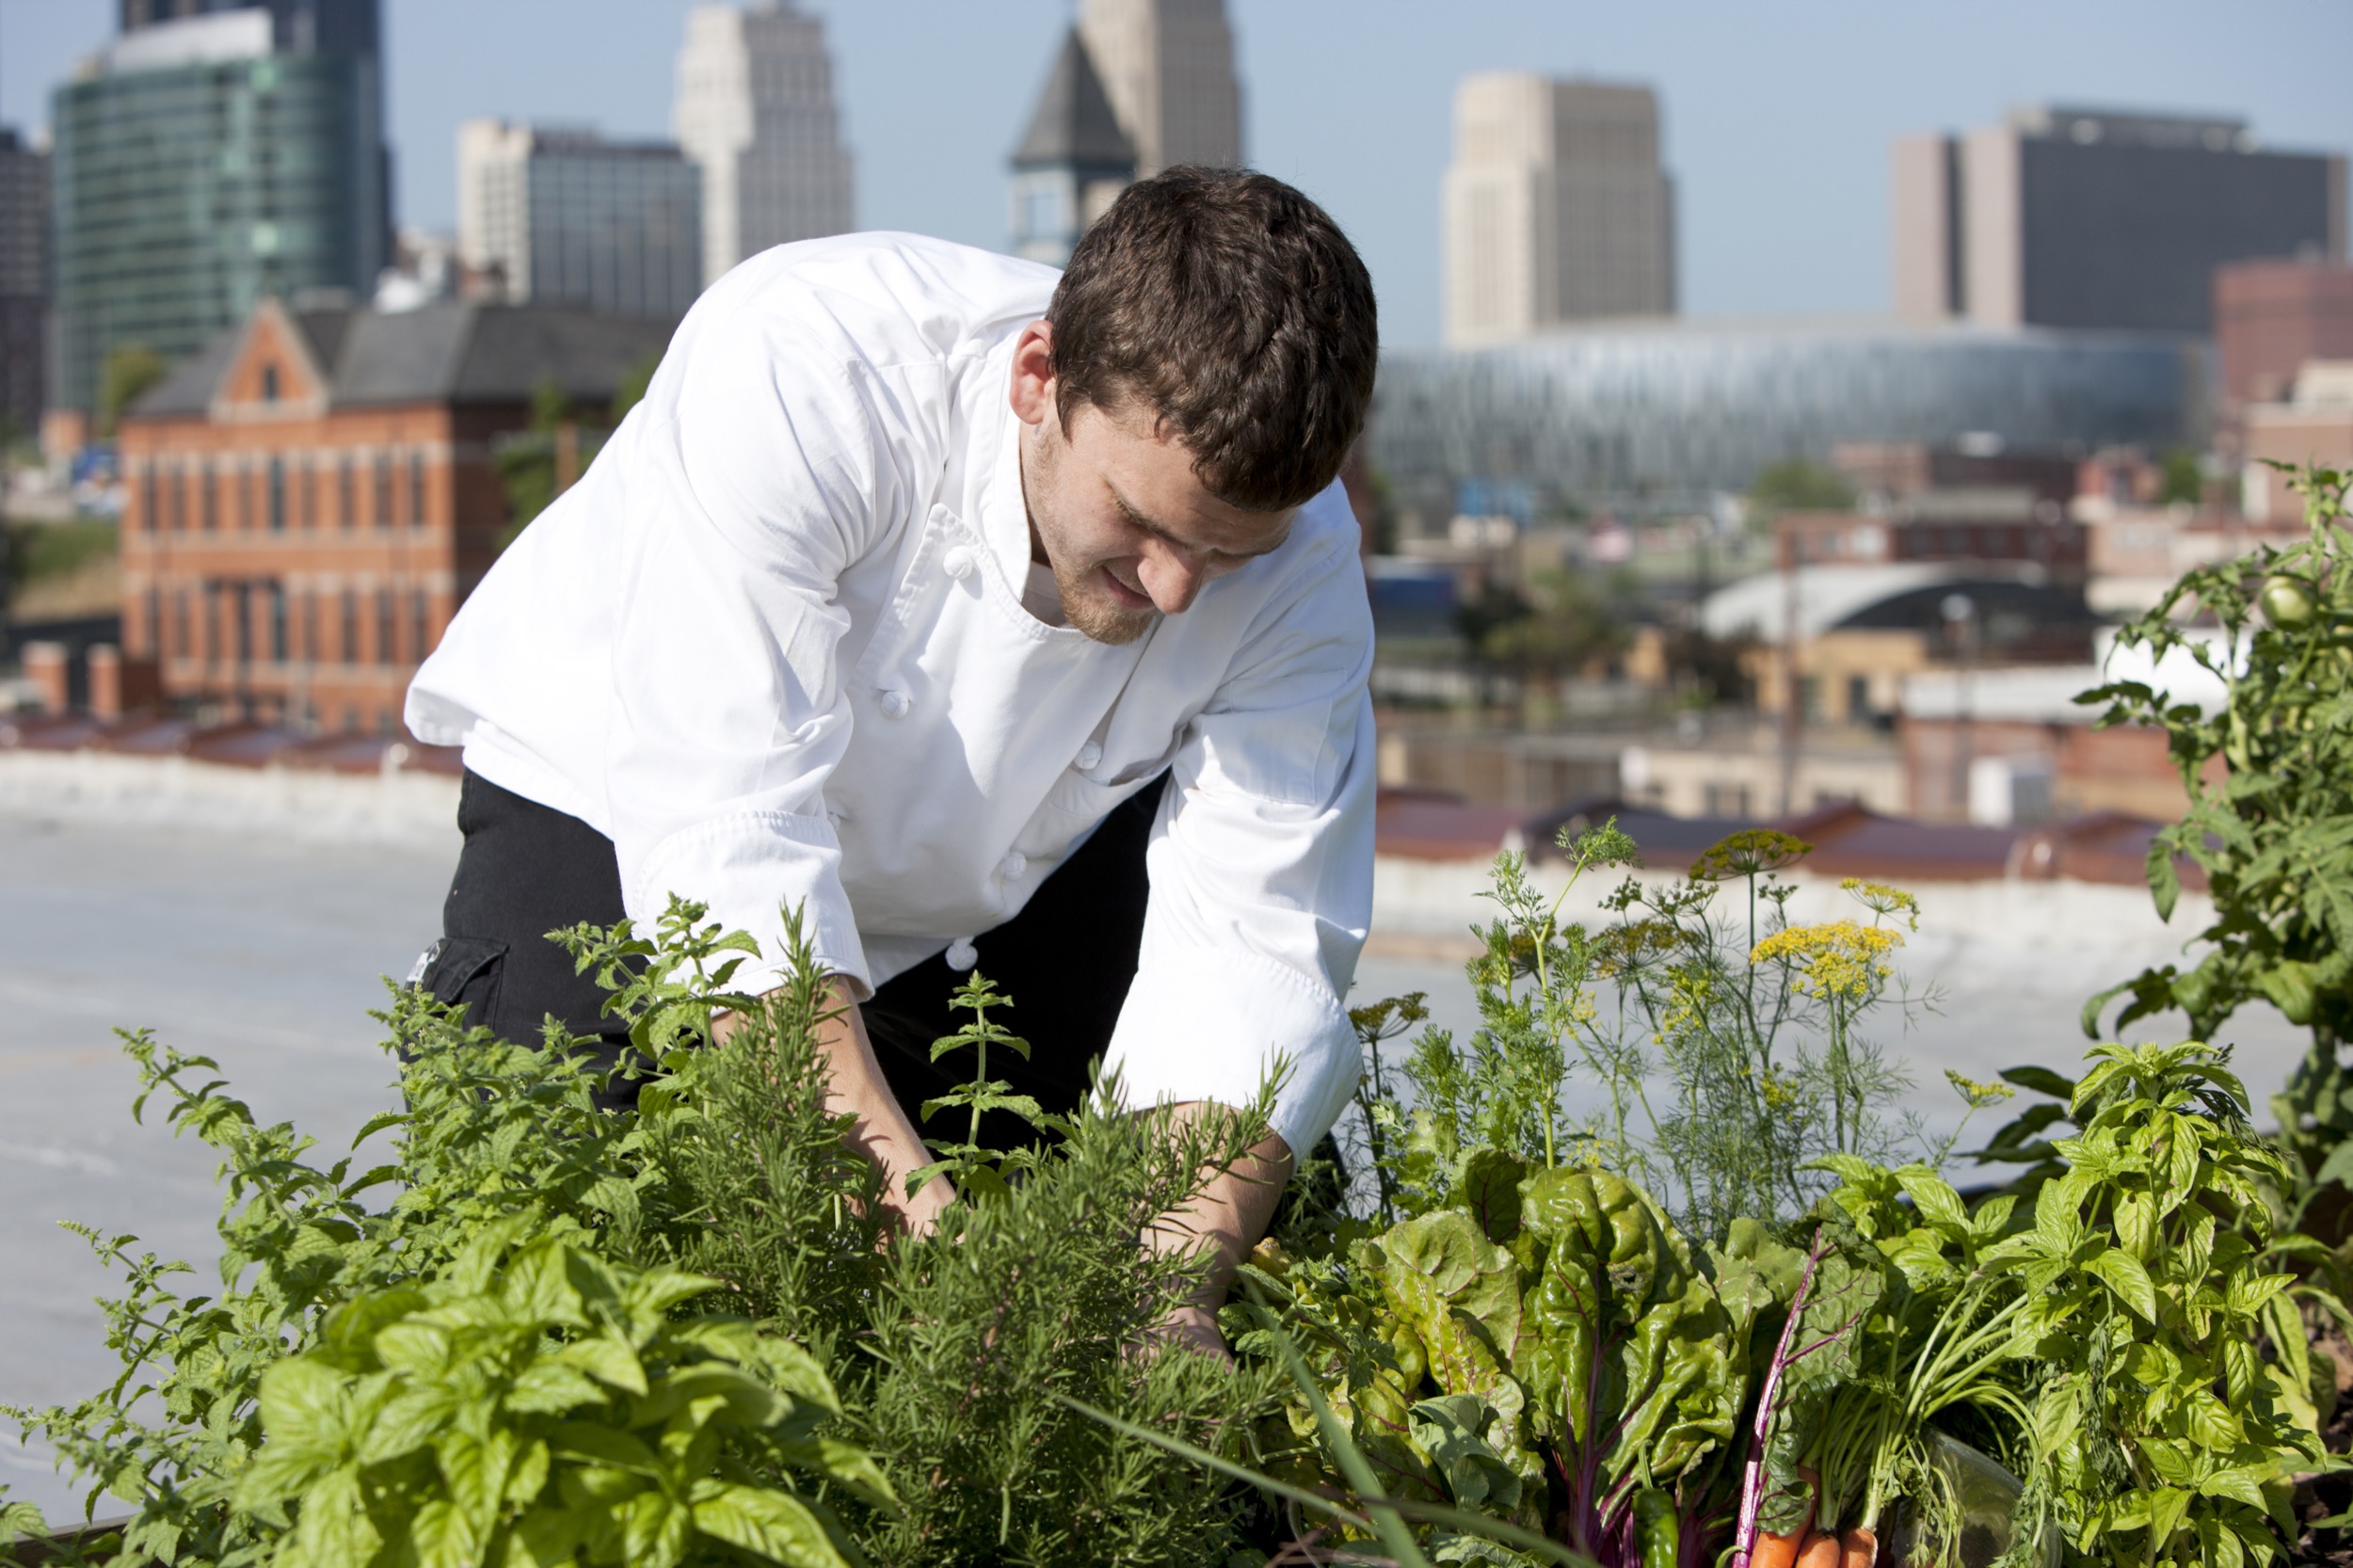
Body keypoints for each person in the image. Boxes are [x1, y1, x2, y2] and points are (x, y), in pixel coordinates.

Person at [404, 168, 1380, 1353]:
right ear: (1038, 379)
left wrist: (1161, 1291)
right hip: (609, 807)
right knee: (537, 1267)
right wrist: (917, 1223)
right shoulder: (806, 364)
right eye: (1144, 521)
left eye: (1224, 554)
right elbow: (730, 835)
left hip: (976, 881)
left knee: (1011, 1298)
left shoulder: (1305, 560)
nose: (1176, 587)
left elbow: (1257, 945)